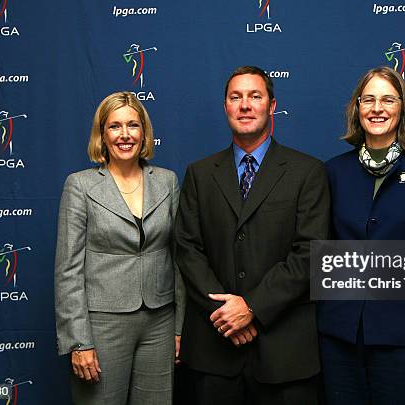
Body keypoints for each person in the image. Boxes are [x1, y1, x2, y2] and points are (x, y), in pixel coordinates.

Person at [174, 66, 330, 405]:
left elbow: (311, 253)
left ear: (272, 106)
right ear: (226, 107)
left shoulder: (308, 172)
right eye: (236, 97)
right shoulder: (199, 174)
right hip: (215, 351)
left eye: (255, 96)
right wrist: (228, 313)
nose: (245, 105)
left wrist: (253, 307)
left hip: (285, 354)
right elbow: (187, 249)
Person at [317, 66, 405, 405]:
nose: (377, 108)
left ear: (403, 109)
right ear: (357, 108)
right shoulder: (333, 171)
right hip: (340, 339)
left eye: (387, 100)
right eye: (368, 100)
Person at [54, 91, 184, 405]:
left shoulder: (167, 181)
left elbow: (179, 259)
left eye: (133, 126)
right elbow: (68, 269)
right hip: (101, 324)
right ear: (102, 134)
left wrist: (180, 327)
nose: (125, 135)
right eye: (114, 127)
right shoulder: (80, 185)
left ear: (144, 132)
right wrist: (78, 341)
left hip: (160, 320)